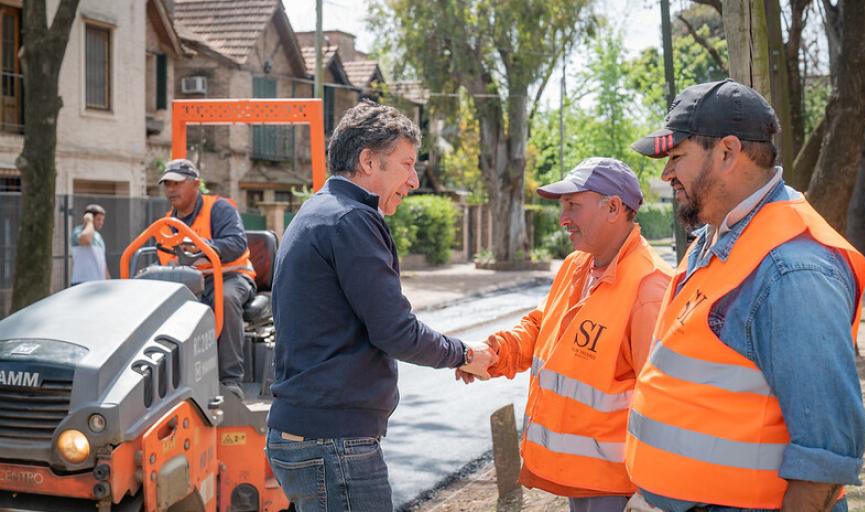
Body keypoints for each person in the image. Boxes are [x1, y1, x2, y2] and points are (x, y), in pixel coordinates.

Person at [624, 79, 865, 512]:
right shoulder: (717, 235)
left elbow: (826, 456)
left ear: (728, 152)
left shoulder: (792, 271)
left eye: (677, 157)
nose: (666, 175)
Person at [266, 100, 497, 511]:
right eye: (406, 165)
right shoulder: (353, 219)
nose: (413, 180)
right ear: (368, 161)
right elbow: (396, 331)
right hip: (335, 443)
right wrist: (462, 353)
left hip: (306, 435)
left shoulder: (316, 212)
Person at [457, 157, 673, 512]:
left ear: (614, 208)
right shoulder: (578, 265)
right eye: (562, 208)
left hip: (620, 488)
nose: (563, 220)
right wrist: (495, 354)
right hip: (583, 481)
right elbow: (544, 328)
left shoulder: (649, 286)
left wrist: (651, 492)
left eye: (573, 206)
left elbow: (663, 401)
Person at [157, 159, 256, 399]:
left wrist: (202, 247)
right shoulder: (167, 224)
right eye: (167, 184)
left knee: (225, 299)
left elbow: (236, 243)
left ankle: (230, 380)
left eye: (177, 183)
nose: (171, 189)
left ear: (196, 184)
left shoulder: (219, 209)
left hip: (232, 276)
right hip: (191, 282)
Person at [70, 204, 109, 285]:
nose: (101, 223)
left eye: (102, 220)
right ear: (89, 217)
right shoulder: (77, 231)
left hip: (99, 283)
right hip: (81, 283)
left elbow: (103, 263)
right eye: (98, 219)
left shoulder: (98, 236)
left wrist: (108, 281)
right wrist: (89, 222)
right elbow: (86, 240)